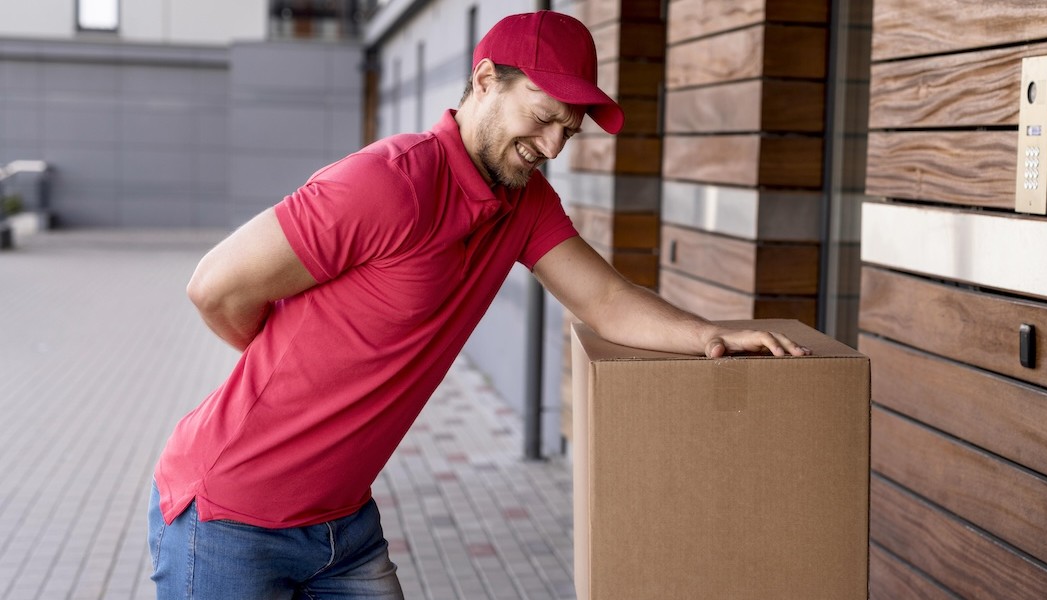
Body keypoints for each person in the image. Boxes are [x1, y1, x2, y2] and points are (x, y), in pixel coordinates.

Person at [147, 10, 810, 599]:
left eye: (568, 134)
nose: (552, 147)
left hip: (341, 522)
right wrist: (282, 366)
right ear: (487, 78)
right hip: (230, 515)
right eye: (544, 117)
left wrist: (709, 335)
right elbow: (215, 286)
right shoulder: (389, 183)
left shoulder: (524, 204)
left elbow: (605, 299)